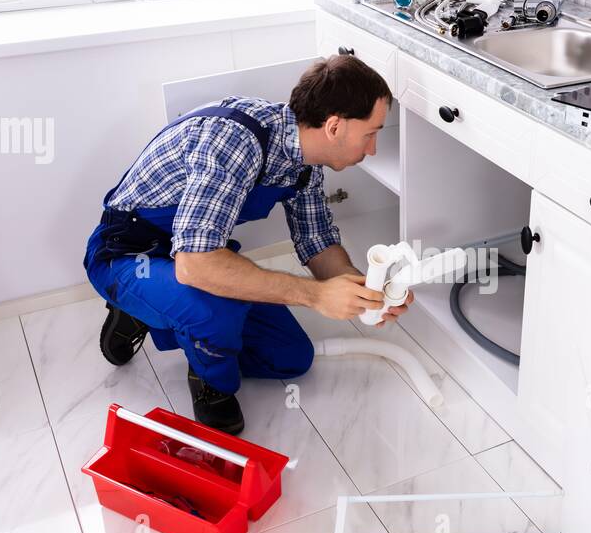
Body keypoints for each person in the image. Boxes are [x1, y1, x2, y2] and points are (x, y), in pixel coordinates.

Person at [83, 55, 407, 434]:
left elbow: (316, 241)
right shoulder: (235, 140)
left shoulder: (304, 159)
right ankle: (208, 382)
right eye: (371, 133)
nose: (373, 148)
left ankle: (160, 311)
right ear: (334, 126)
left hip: (189, 252)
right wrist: (316, 296)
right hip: (127, 254)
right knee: (214, 312)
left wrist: (363, 291)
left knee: (291, 358)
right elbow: (196, 265)